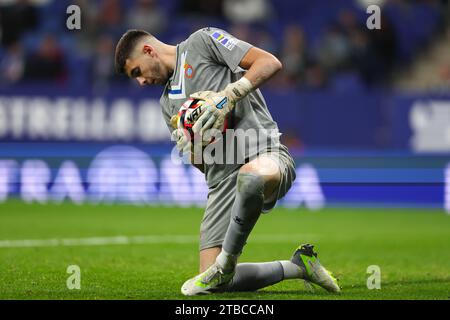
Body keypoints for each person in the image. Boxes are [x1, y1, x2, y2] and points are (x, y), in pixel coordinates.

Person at [114, 27, 340, 295]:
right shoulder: (167, 105)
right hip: (221, 184)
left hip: (264, 154)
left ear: (148, 51)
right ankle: (299, 266)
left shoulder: (202, 42)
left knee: (251, 176)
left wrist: (228, 96)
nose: (140, 82)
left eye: (137, 72)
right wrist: (196, 146)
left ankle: (227, 262)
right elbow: (201, 164)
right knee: (215, 286)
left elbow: (269, 63)